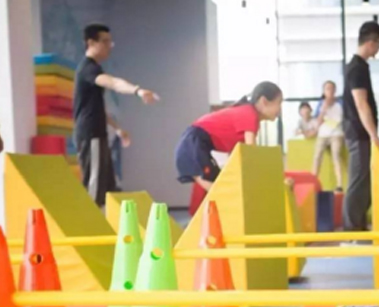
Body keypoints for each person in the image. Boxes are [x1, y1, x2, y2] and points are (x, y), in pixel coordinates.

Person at [74, 23, 159, 206]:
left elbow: (96, 109)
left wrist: (118, 129)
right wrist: (137, 90)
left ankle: (105, 221)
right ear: (91, 43)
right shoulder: (88, 68)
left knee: (108, 187)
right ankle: (90, 222)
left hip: (98, 134)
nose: (109, 46)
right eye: (105, 42)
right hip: (90, 135)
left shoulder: (93, 69)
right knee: (94, 187)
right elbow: (113, 83)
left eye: (110, 42)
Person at [175, 81, 282, 192]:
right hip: (192, 141)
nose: (280, 109)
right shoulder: (249, 114)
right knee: (214, 184)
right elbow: (251, 153)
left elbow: (239, 154)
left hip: (196, 142)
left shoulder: (248, 116)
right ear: (264, 101)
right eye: (279, 103)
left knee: (218, 182)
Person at [343, 21, 379, 233]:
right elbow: (361, 104)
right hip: (358, 133)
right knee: (358, 180)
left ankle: (358, 223)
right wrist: (373, 134)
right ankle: (351, 228)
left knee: (364, 179)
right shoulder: (356, 68)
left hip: (360, 133)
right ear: (371, 42)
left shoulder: (360, 66)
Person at [312, 81, 345, 192]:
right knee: (317, 156)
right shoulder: (320, 104)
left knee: (336, 156)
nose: (330, 91)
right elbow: (318, 121)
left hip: (337, 133)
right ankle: (313, 181)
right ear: (324, 91)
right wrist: (323, 109)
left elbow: (344, 118)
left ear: (335, 90)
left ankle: (339, 184)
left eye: (332, 88)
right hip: (323, 134)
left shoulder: (340, 103)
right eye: (327, 89)